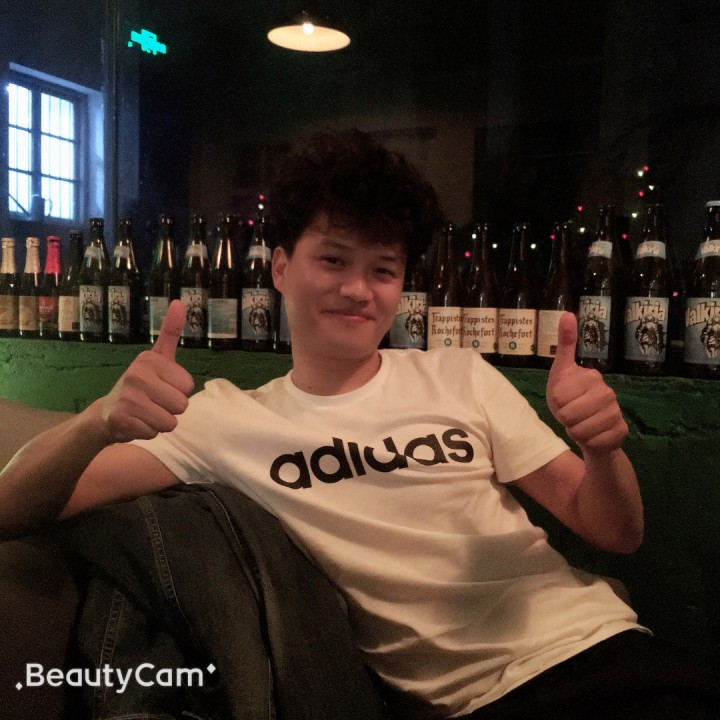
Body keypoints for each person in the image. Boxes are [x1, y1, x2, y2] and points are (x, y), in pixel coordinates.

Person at [0, 130, 716, 720]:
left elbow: (615, 532)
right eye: (333, 259)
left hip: (609, 649)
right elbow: (12, 505)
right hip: (481, 701)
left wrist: (602, 449)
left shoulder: (460, 375)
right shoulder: (224, 418)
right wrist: (98, 421)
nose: (357, 289)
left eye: (383, 270)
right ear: (281, 268)